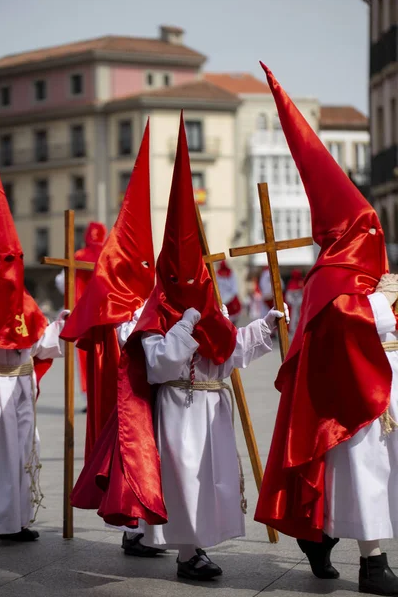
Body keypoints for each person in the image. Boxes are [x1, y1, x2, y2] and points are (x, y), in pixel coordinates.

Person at [71, 113, 289, 581]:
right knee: (183, 482)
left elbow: (228, 356)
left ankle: (189, 547)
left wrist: (264, 329)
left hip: (211, 407)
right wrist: (188, 319)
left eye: (199, 279)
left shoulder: (213, 309)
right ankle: (188, 555)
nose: (194, 285)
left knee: (206, 483)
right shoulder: (157, 314)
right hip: (175, 408)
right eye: (183, 280)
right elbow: (159, 364)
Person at [255, 63, 398, 596]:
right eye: (368, 226)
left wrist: (387, 299)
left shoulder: (364, 273)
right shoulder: (332, 276)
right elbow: (344, 317)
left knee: (378, 473)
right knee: (361, 473)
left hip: (381, 383)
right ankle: (373, 564)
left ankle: (322, 540)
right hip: (347, 397)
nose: (375, 232)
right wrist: (384, 303)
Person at [61, 122, 157, 556]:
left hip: (149, 379)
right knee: (131, 448)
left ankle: (148, 527)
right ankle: (134, 527)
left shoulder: (94, 266)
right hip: (127, 381)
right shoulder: (107, 270)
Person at [0, 176, 67, 542]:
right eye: (7, 260)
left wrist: (60, 325)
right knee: (2, 456)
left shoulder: (23, 299)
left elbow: (38, 344)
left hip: (22, 386)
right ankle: (4, 521)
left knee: (25, 450)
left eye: (17, 259)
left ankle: (19, 520)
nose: (13, 265)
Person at [55, 221, 107, 412]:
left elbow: (62, 281)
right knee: (107, 354)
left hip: (83, 314)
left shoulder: (78, 256)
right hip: (105, 315)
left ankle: (89, 399)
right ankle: (105, 397)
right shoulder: (109, 254)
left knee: (85, 357)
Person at [285, 269, 304, 337]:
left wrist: (301, 301)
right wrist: (292, 302)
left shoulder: (302, 281)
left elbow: (304, 292)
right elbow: (289, 295)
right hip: (293, 304)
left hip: (300, 303)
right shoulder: (291, 282)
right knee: (293, 317)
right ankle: (293, 329)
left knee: (300, 316)